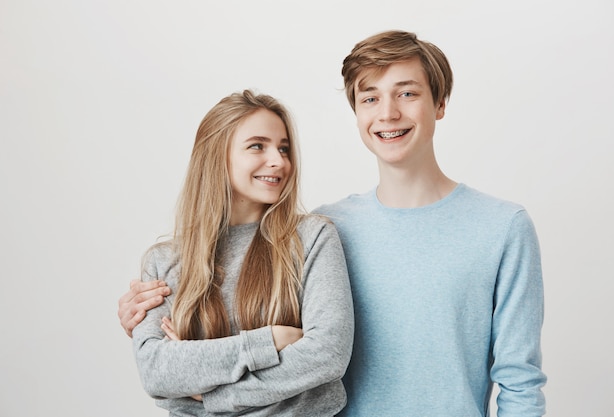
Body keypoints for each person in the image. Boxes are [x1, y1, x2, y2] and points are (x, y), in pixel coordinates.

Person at [120, 31, 547, 416]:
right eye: (370, 98)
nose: (388, 113)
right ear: (357, 113)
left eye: (408, 93)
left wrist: (210, 396)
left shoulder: (502, 226)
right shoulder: (326, 228)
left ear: (440, 103)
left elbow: (520, 382)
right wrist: (148, 318)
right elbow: (228, 313)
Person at [128, 89, 354, 416]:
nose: (279, 161)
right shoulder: (164, 261)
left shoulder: (312, 237)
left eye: (284, 148)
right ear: (216, 155)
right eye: (257, 146)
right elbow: (157, 371)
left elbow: (326, 355)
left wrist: (210, 392)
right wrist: (270, 340)